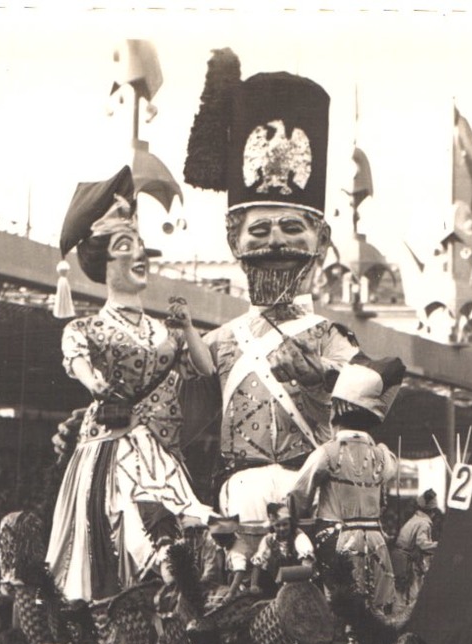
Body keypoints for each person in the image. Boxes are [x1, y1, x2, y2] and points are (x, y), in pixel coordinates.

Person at [182, 55, 359, 560]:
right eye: (259, 230)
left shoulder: (333, 337)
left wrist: (320, 373)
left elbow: (374, 397)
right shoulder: (216, 342)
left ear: (320, 239)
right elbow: (175, 419)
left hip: (315, 501)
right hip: (239, 504)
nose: (274, 242)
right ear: (235, 241)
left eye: (290, 228)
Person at [44, 166, 215, 603]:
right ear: (103, 261)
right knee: (129, 515)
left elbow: (206, 370)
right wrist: (95, 381)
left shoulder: (165, 331)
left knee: (182, 515)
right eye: (125, 247)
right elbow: (79, 361)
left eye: (140, 246)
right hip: (116, 444)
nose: (139, 256)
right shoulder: (89, 327)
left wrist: (189, 327)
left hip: (161, 449)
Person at [290, 357, 407, 615]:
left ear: (337, 412)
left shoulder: (327, 453)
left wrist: (294, 526)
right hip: (375, 541)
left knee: (340, 611)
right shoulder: (381, 456)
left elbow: (298, 495)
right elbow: (391, 466)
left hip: (338, 540)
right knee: (376, 612)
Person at [248, 503, 315, 596]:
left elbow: (307, 566)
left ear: (291, 524)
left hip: (299, 585)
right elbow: (257, 563)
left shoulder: (299, 538)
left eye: (285, 524)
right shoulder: (269, 539)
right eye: (277, 526)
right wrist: (253, 585)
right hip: (276, 585)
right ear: (273, 526)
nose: (282, 528)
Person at [393, 490, 440, 606]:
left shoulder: (415, 519)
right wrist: (439, 545)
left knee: (400, 593)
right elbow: (422, 544)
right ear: (432, 512)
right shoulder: (424, 523)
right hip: (407, 561)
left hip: (399, 558)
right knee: (410, 596)